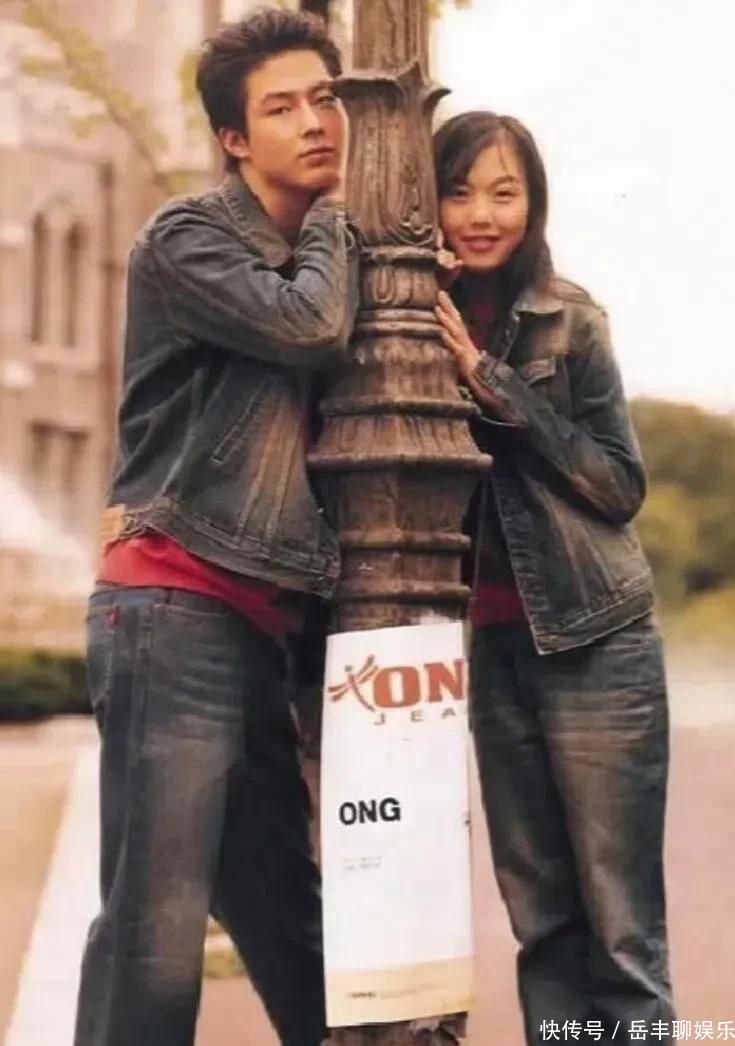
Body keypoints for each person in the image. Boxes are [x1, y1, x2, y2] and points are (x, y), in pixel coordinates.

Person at [73, 9, 357, 1046]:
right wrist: (336, 221)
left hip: (256, 625)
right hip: (172, 604)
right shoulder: (189, 237)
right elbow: (307, 325)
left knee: (286, 914)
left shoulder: (329, 251)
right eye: (282, 108)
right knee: (155, 930)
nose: (315, 122)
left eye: (325, 98)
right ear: (234, 139)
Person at [432, 111, 675, 1044]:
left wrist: (488, 382)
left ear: (532, 204)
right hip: (492, 648)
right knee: (541, 923)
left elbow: (618, 486)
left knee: (619, 930)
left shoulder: (568, 319)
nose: (480, 215)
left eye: (503, 193)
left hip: (595, 641)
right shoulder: (407, 315)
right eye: (458, 192)